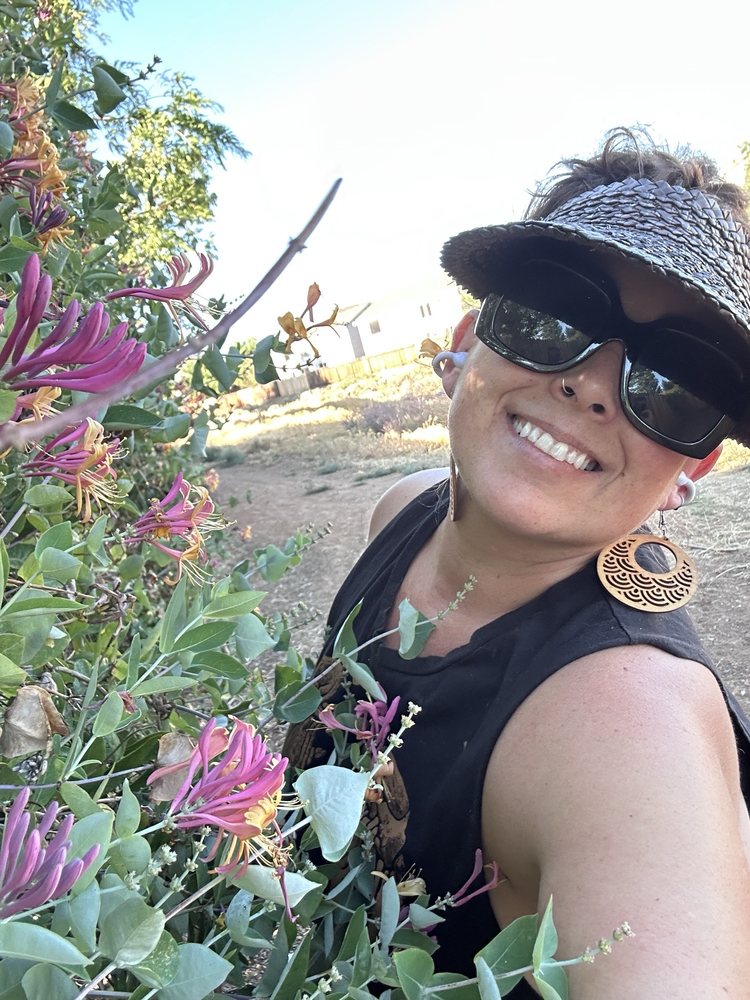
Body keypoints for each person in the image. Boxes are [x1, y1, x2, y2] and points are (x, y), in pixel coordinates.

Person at [285, 129, 750, 997]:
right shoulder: (401, 512)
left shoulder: (629, 727)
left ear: (693, 468)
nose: (592, 386)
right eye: (555, 314)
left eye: (677, 382)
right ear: (467, 342)